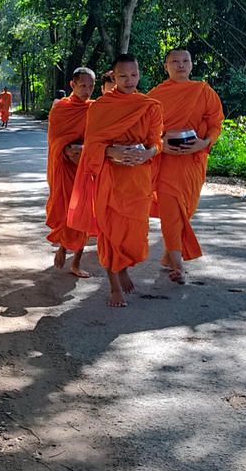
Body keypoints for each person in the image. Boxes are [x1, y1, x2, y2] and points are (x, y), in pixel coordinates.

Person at [67, 54, 162, 307]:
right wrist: (111, 152)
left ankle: (124, 266)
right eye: (122, 76)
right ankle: (113, 285)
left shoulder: (150, 106)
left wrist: (146, 153)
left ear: (139, 75)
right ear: (113, 76)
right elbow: (92, 146)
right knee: (109, 232)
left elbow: (157, 143)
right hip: (109, 178)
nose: (129, 80)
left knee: (135, 235)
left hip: (138, 178)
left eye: (133, 75)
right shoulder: (101, 107)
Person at [147, 48, 224, 283]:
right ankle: (179, 265)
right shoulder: (155, 96)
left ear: (191, 65)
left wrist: (203, 143)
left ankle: (169, 255)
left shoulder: (203, 91)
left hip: (193, 160)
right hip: (167, 160)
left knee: (185, 211)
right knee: (171, 210)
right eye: (174, 61)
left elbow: (215, 123)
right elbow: (146, 128)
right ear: (166, 67)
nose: (180, 65)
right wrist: (160, 144)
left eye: (185, 61)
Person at [46, 68, 95, 277]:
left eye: (91, 86)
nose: (87, 90)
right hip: (64, 167)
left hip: (86, 167)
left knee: (84, 214)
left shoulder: (96, 108)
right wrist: (66, 149)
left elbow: (101, 136)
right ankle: (63, 248)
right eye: (83, 85)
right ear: (72, 85)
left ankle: (76, 262)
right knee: (67, 211)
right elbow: (54, 140)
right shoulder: (60, 110)